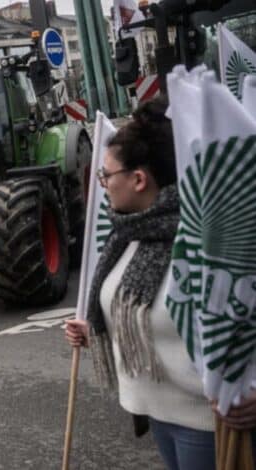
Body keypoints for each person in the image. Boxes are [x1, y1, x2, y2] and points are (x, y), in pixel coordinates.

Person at [63, 96, 250, 470]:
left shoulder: (202, 238)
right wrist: (100, 328)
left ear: (138, 179)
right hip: (159, 416)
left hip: (208, 424)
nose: (103, 184)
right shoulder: (125, 235)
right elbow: (145, 316)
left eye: (106, 175)